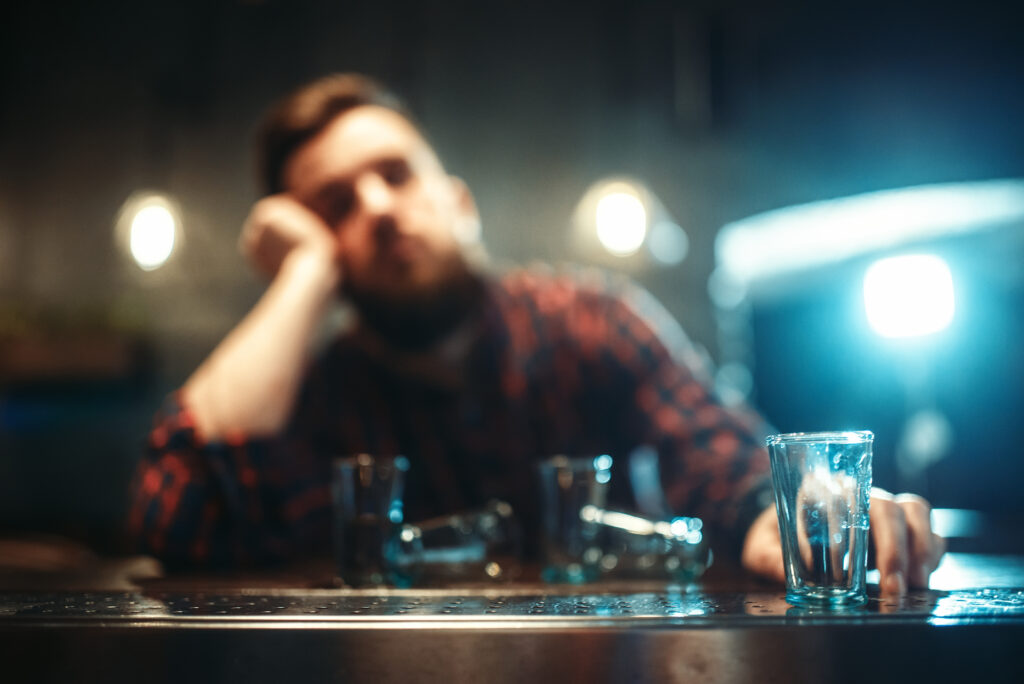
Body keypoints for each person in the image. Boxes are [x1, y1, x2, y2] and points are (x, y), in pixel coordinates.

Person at [129, 74, 945, 593]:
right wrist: (301, 278)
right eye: (335, 205)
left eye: (396, 174)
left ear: (459, 203)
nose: (376, 207)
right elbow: (176, 519)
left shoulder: (590, 319)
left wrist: (786, 513)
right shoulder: (316, 391)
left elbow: (715, 450)